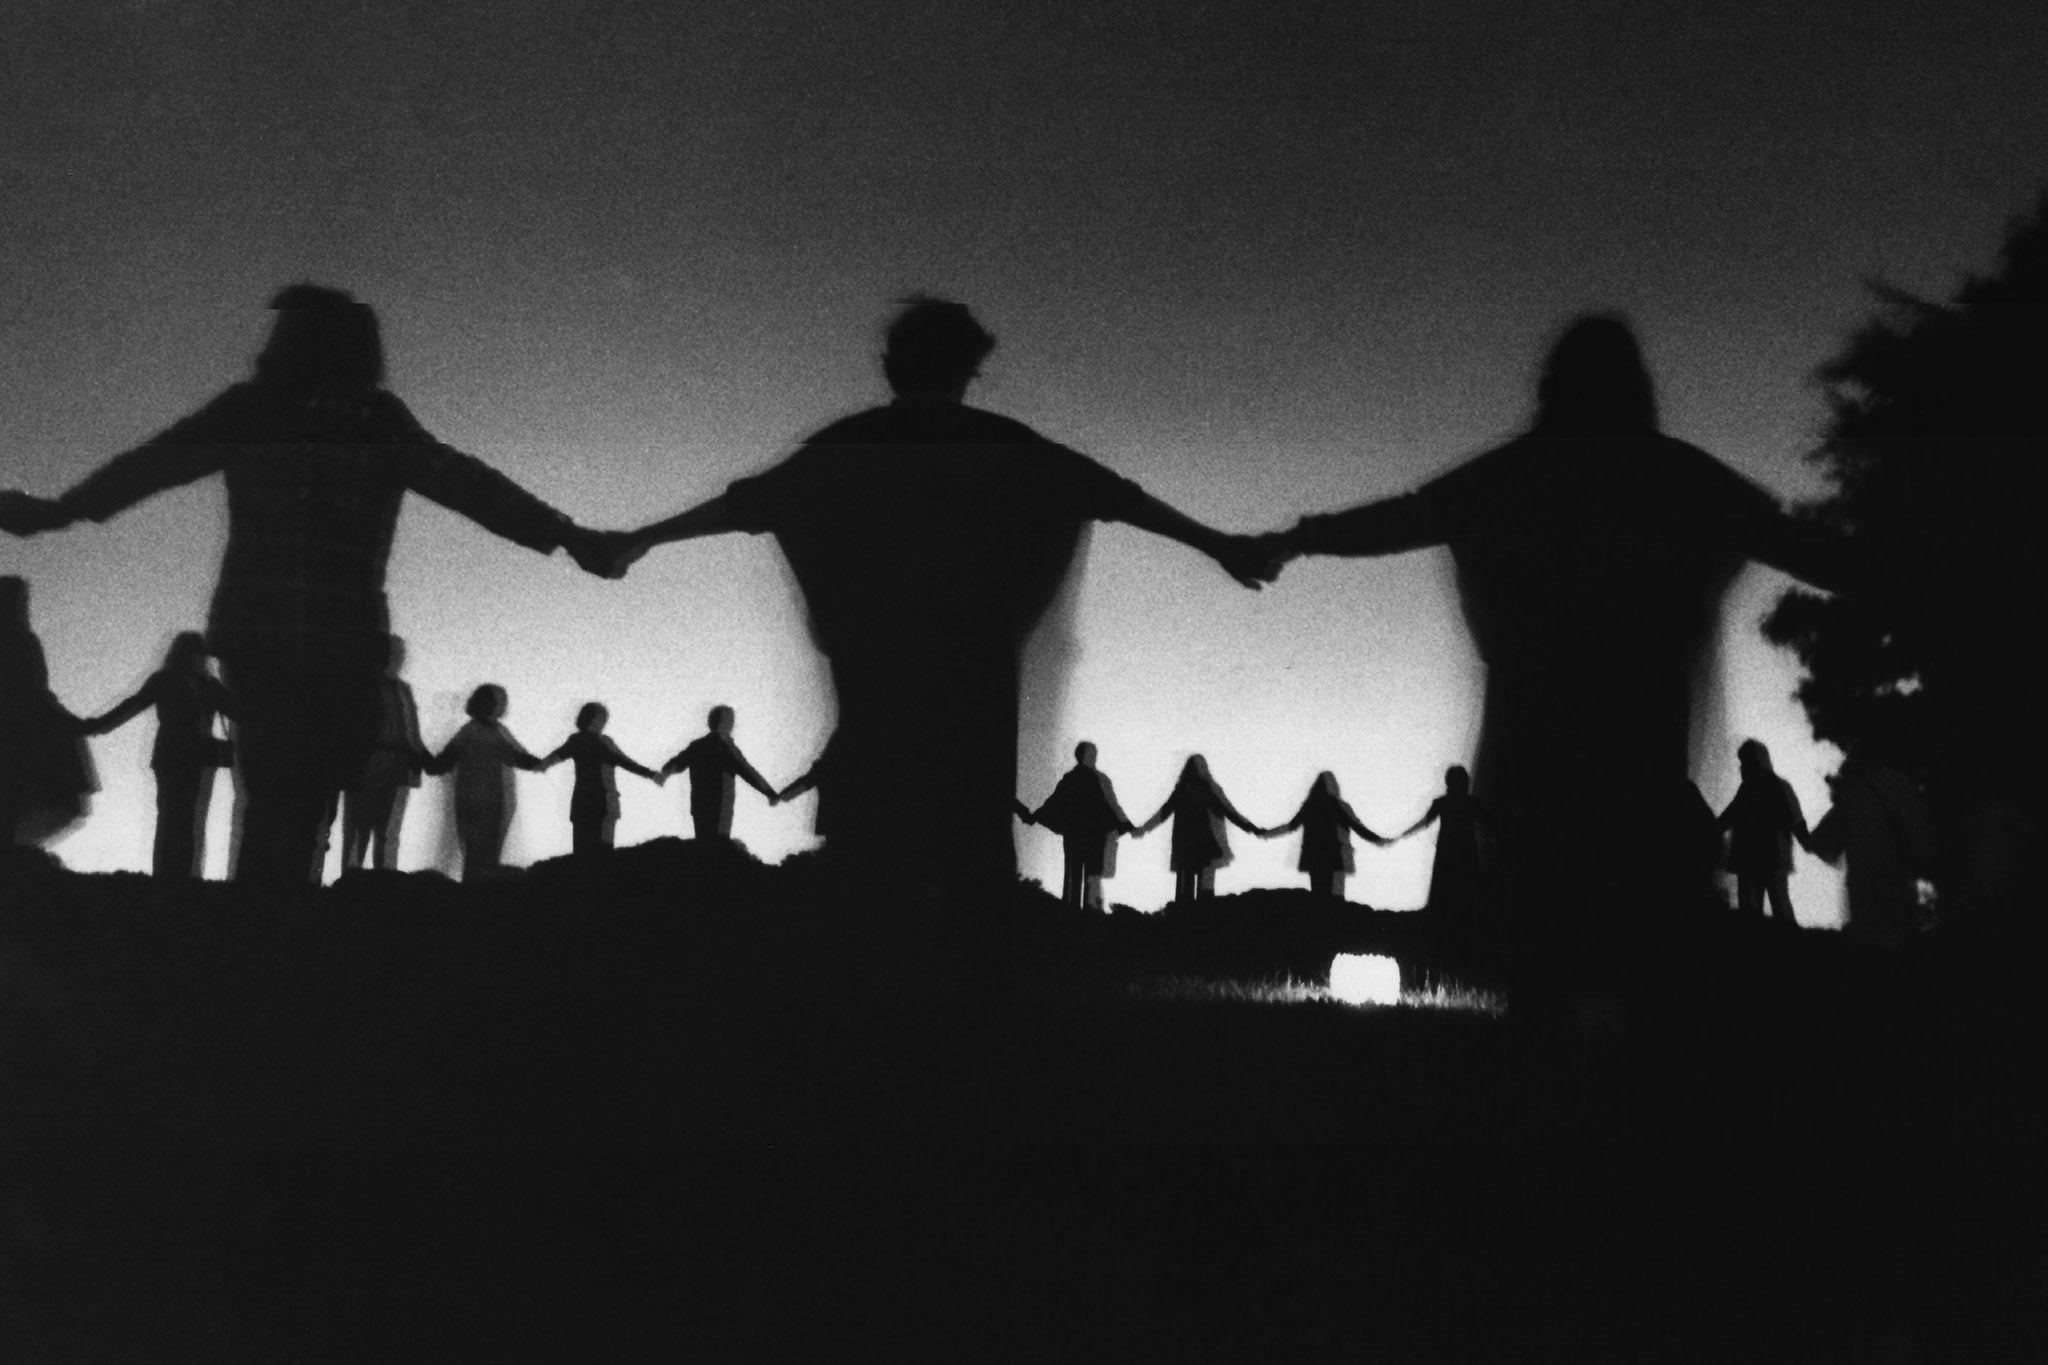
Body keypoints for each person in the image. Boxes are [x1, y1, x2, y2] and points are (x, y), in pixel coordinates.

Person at [613, 297, 1274, 908]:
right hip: (975, 719)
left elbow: (744, 504)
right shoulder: (1013, 453)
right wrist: (1220, 543)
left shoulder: (844, 451)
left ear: (889, 366)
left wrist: (635, 539)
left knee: (868, 896)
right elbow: (1117, 495)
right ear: (971, 369)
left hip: (875, 719)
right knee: (969, 895)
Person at [1, 285, 627, 887]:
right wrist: (568, 535)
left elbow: (154, 463)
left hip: (283, 633)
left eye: (282, 336)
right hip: (324, 638)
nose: (263, 350)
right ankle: (274, 928)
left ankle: (266, 929)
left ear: (312, 346)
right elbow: (464, 482)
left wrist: (64, 510)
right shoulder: (339, 418)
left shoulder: (270, 412)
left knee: (284, 789)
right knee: (294, 793)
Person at [1265, 314, 1847, 942]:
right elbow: (1807, 549)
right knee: (1644, 953)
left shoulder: (1514, 476)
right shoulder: (1682, 479)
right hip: (1641, 755)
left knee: (1540, 952)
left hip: (1531, 756)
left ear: (1552, 387)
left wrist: (1298, 540)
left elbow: (1404, 517)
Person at [81, 631, 237, 879]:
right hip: (188, 756)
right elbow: (239, 710)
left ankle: (169, 879)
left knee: (175, 819)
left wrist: (97, 726)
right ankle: (175, 880)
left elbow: (133, 705)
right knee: (182, 819)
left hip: (176, 756)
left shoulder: (170, 680)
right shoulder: (201, 684)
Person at [0, 577, 96, 854]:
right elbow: (37, 688)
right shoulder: (24, 641)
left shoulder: (25, 640)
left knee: (13, 798)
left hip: (23, 728)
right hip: (23, 730)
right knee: (16, 795)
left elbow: (39, 689)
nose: (24, 605)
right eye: (21, 600)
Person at [1804, 749, 1933, 947]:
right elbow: (1920, 835)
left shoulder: (1855, 792)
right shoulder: (1903, 785)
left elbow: (1821, 839)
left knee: (1867, 947)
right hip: (1897, 880)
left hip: (1863, 883)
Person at [429, 684, 546, 881]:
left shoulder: (472, 730)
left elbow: (443, 763)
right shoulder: (486, 731)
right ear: (488, 704)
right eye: (499, 701)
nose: (503, 706)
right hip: (484, 799)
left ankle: (475, 889)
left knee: (478, 850)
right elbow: (517, 757)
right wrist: (544, 762)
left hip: (479, 798)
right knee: (484, 850)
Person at [341, 634, 429, 873]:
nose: (398, 659)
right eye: (394, 654)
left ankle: (384, 878)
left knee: (387, 829)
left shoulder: (403, 689)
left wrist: (422, 756)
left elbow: (411, 728)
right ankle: (353, 878)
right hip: (369, 761)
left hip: (398, 763)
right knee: (360, 826)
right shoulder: (362, 686)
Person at [1134, 755, 1267, 904]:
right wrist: (1252, 829)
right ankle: (1200, 919)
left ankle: (1187, 919)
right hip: (1203, 845)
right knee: (1201, 889)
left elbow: (1164, 812)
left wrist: (1144, 829)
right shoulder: (1208, 790)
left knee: (1189, 890)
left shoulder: (1187, 790)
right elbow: (1230, 812)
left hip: (1190, 846)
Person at [1022, 741, 1136, 909]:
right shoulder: (1100, 780)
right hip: (1094, 837)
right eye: (1092, 754)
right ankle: (1086, 918)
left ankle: (1071, 915)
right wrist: (1126, 825)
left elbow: (1054, 802)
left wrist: (1035, 816)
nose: (1094, 757)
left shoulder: (1071, 779)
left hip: (1074, 835)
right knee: (1091, 879)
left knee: (1073, 876)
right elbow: (1113, 806)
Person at [544, 702, 664, 855]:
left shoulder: (575, 740)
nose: (604, 722)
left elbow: (553, 757)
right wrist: (651, 774)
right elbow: (624, 761)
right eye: (603, 718)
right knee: (603, 854)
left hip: (580, 804)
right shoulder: (603, 742)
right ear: (596, 719)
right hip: (604, 802)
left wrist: (537, 765)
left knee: (581, 853)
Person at [1717, 739, 1809, 925]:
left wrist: (1707, 829)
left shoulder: (1755, 788)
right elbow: (1796, 819)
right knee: (1777, 908)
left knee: (1759, 911)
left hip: (1759, 859)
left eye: (1745, 762)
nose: (1742, 767)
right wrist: (1810, 842)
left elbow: (1728, 818)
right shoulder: (1773, 786)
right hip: (1767, 859)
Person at [663, 705, 778, 844]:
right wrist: (769, 793)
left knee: (703, 847)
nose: (732, 725)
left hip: (699, 807)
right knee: (719, 851)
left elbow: (673, 765)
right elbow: (748, 772)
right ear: (725, 723)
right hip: (721, 809)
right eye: (730, 721)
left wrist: (663, 774)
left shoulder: (697, 746)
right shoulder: (727, 749)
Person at [1271, 771, 1387, 900]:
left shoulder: (1309, 806)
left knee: (1318, 898)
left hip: (1313, 858)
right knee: (1337, 900)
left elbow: (1291, 826)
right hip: (1336, 857)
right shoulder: (1339, 805)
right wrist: (1378, 840)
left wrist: (1265, 833)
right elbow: (1358, 827)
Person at [1392, 765, 1484, 921]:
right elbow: (1484, 826)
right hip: (1467, 851)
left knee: (1444, 887)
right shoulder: (1473, 803)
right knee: (1465, 888)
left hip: (1447, 851)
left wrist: (1402, 835)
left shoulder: (1442, 803)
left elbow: (1424, 823)